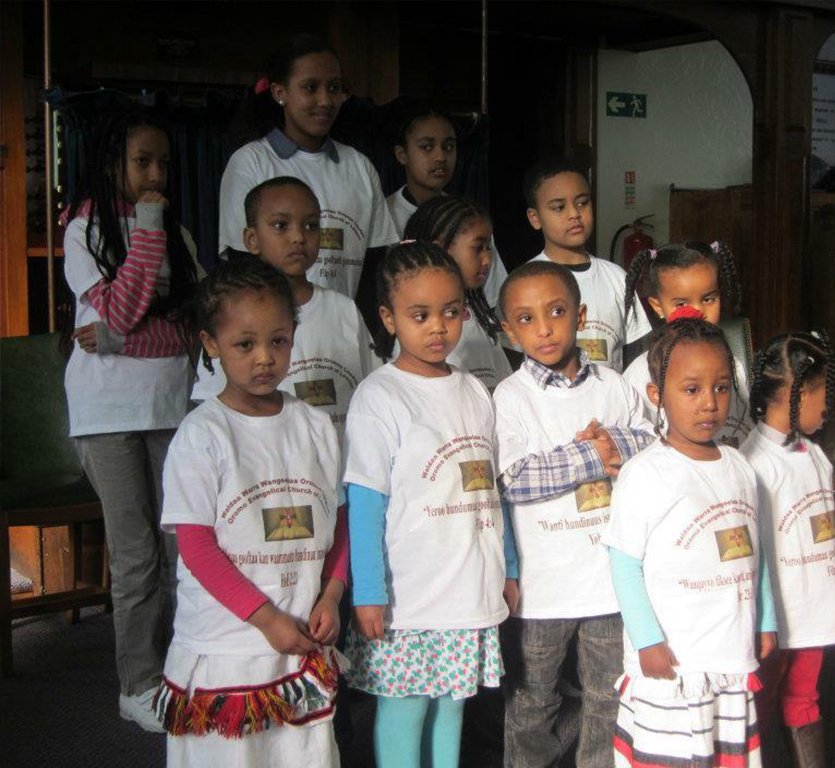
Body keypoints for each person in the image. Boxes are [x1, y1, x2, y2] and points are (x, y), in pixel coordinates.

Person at [154, 256, 348, 767]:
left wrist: (332, 593)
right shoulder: (202, 435)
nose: (265, 357)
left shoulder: (315, 427)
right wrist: (265, 619)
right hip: (229, 646)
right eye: (245, 344)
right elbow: (196, 548)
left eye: (278, 340)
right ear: (211, 343)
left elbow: (340, 520)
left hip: (298, 639)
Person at [344, 241, 513, 768]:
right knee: (406, 710)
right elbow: (365, 501)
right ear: (388, 318)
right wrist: (368, 591)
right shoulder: (380, 396)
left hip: (468, 587)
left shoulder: (475, 391)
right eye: (420, 315)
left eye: (451, 312)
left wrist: (509, 566)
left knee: (451, 708)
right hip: (409, 598)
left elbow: (493, 491)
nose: (438, 327)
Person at [63, 106, 201, 732]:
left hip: (172, 404)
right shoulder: (83, 229)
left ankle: (183, 667)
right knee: (137, 554)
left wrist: (122, 340)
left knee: (181, 548)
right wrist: (146, 225)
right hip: (106, 413)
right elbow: (120, 311)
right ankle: (138, 684)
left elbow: (191, 326)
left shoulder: (179, 233)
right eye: (142, 162)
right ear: (111, 163)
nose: (155, 175)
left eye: (163, 163)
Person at [494, 260, 655, 768]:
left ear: (580, 316)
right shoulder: (510, 397)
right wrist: (593, 454)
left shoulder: (613, 385)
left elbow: (652, 446)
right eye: (526, 319)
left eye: (557, 312)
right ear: (508, 330)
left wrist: (613, 442)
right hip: (543, 590)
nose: (543, 329)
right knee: (533, 702)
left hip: (610, 582)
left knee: (608, 696)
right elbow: (515, 478)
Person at [602, 307, 776, 768]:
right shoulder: (646, 473)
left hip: (729, 646)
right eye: (692, 389)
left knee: (723, 752)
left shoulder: (740, 467)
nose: (710, 403)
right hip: (676, 655)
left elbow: (756, 553)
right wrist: (647, 640)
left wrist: (766, 618)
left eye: (721, 387)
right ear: (656, 395)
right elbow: (624, 563)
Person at [193, 176, 378, 452]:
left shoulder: (345, 309)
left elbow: (372, 388)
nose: (298, 237)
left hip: (341, 466)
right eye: (281, 225)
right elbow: (214, 409)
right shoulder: (232, 315)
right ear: (252, 239)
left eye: (311, 225)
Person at [218, 33, 397, 298]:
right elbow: (241, 266)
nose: (325, 100)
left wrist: (355, 321)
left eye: (334, 88)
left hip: (345, 322)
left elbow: (375, 268)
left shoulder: (360, 166)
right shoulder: (251, 162)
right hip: (273, 322)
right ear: (280, 93)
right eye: (310, 87)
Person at [739, 331, 835, 767]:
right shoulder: (755, 463)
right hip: (777, 618)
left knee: (805, 695)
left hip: (814, 608)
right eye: (826, 395)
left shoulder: (814, 454)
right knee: (762, 702)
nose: (828, 407)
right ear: (797, 394)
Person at [524, 157, 650, 372]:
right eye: (559, 207)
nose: (574, 214)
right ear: (535, 218)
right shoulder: (524, 283)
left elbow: (636, 356)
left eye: (582, 203)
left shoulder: (617, 278)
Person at [622, 239, 752, 445]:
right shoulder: (639, 375)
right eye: (681, 303)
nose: (697, 312)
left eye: (708, 299)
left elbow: (745, 431)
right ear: (657, 306)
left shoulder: (735, 366)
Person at [387, 102, 509, 308]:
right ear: (402, 154)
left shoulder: (469, 218)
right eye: (427, 147)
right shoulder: (385, 215)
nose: (440, 157)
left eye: (448, 147)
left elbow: (495, 296)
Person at [404, 195, 512, 391]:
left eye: (488, 248)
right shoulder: (414, 325)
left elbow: (504, 384)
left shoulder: (480, 316)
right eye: (477, 248)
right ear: (439, 249)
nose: (487, 259)